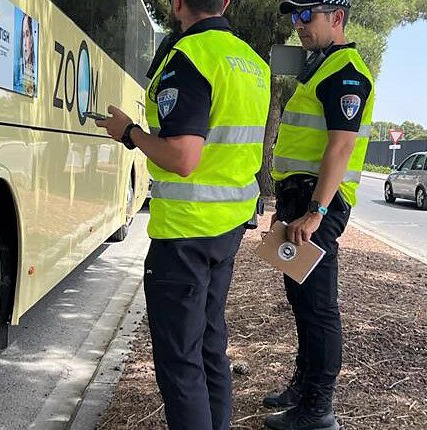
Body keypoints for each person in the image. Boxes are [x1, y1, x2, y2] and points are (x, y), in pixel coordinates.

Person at [95, 0, 270, 428]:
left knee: (180, 364)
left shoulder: (189, 57)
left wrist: (130, 134)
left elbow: (182, 157)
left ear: (176, 4)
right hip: (227, 229)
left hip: (185, 233)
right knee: (210, 348)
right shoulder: (253, 63)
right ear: (226, 2)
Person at [262, 1, 375, 429]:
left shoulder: (345, 71)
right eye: (294, 17)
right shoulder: (320, 66)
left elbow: (340, 147)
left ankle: (318, 408)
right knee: (300, 299)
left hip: (318, 203)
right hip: (301, 198)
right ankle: (304, 386)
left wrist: (315, 212)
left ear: (337, 18)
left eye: (307, 16)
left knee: (318, 306)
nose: (299, 25)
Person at [15, 14, 36, 96]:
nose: (24, 43)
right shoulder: (19, 80)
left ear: (32, 39)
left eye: (27, 35)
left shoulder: (35, 79)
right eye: (23, 36)